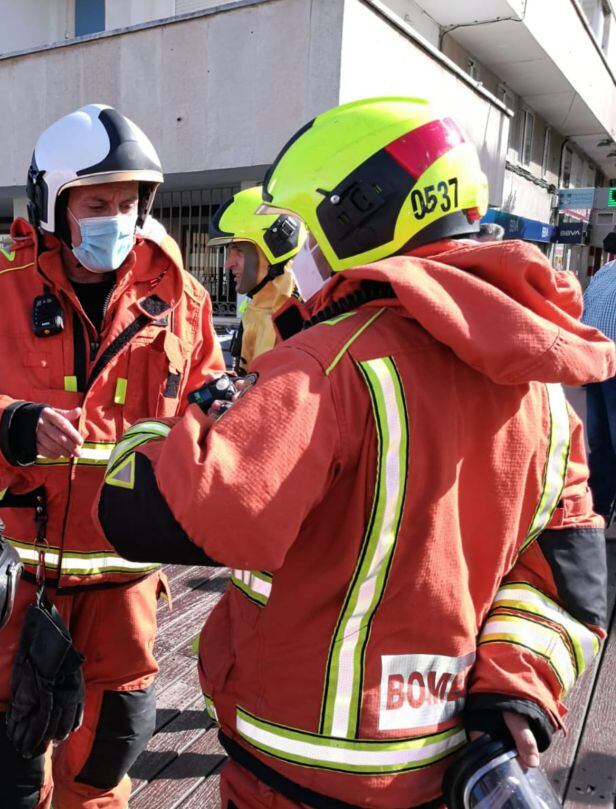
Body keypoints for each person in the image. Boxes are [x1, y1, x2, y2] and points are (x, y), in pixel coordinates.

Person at [97, 97, 614, 808]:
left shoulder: (330, 361)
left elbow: (173, 513)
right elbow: (568, 582)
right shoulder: (546, 390)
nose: (296, 253)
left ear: (358, 217)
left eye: (303, 231)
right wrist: (516, 687)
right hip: (447, 759)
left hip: (294, 765)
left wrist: (156, 434)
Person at [0, 103, 224, 809]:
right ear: (53, 202)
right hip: (14, 586)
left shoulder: (181, 298)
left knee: (104, 769)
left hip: (126, 589)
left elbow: (207, 404)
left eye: (128, 202)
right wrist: (13, 424)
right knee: (5, 774)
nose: (117, 217)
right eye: (98, 202)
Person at [207, 186, 304, 372]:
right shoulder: (255, 309)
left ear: (275, 249)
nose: (228, 264)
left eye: (240, 251)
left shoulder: (301, 318)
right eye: (229, 252)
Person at [582, 230, 616, 526]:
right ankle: (600, 508)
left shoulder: (605, 272)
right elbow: (584, 312)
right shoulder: (605, 272)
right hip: (598, 369)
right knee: (600, 442)